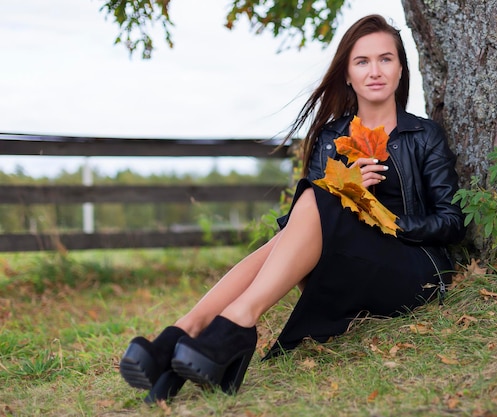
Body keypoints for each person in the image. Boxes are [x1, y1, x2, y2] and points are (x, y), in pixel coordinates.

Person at [119, 14, 465, 403]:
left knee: (317, 197)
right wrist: (345, 187)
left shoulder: (423, 135)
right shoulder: (333, 138)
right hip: (344, 267)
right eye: (362, 61)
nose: (375, 71)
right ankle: (190, 330)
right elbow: (304, 225)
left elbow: (451, 223)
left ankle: (216, 327)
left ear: (401, 69)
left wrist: (388, 221)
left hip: (413, 270)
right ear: (347, 75)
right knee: (313, 201)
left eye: (385, 59)